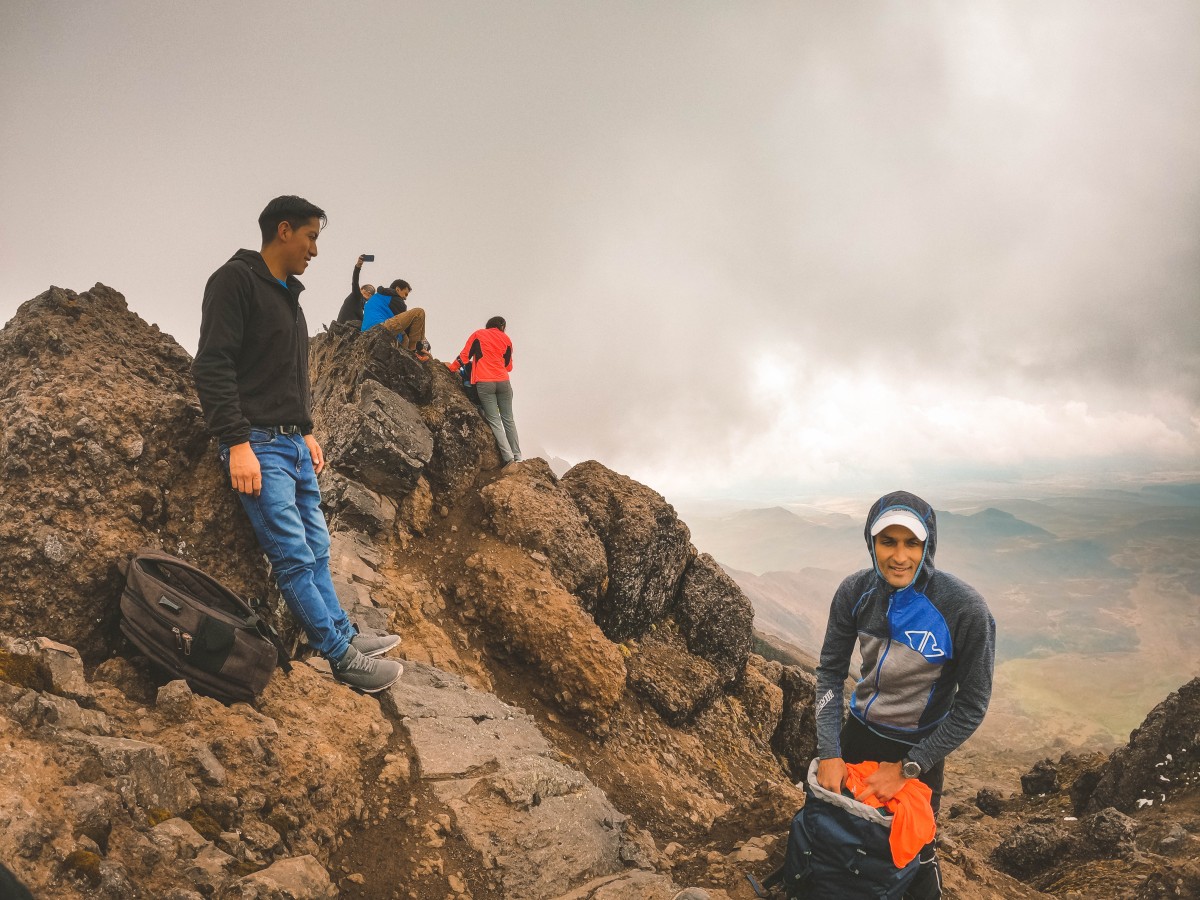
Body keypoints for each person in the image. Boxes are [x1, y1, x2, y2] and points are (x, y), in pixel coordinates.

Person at [192, 195, 403, 694]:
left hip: (291, 444)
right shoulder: (235, 280)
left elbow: (290, 373)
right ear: (283, 231)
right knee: (291, 555)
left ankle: (345, 633)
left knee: (316, 549)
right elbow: (213, 365)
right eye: (310, 237)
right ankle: (341, 657)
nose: (314, 250)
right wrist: (236, 443)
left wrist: (305, 428)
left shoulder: (289, 296)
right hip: (258, 447)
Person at [813, 490, 995, 899]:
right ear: (870, 542)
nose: (899, 556)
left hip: (919, 749)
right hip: (856, 736)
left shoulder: (964, 609)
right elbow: (829, 674)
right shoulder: (855, 592)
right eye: (887, 541)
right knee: (839, 842)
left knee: (911, 858)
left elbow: (972, 706)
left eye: (912, 543)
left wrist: (907, 768)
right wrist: (830, 751)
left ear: (928, 545)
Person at [448, 316, 522, 465]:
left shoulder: (479, 334)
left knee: (494, 420)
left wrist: (451, 368)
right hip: (503, 381)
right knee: (508, 419)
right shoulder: (507, 340)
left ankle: (508, 458)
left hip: (485, 382)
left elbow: (464, 357)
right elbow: (509, 367)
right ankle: (517, 456)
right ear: (502, 327)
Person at [360, 278, 426, 352]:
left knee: (404, 338)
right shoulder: (396, 299)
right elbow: (407, 325)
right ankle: (414, 350)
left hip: (365, 332)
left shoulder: (376, 296)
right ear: (397, 289)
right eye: (405, 294)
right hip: (380, 328)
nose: (405, 298)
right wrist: (420, 347)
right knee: (418, 313)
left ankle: (405, 353)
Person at [335, 254, 374, 324]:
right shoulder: (356, 296)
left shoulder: (362, 306)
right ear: (361, 290)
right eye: (366, 288)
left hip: (350, 328)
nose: (368, 291)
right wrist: (358, 266)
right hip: (344, 327)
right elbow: (355, 282)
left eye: (372, 291)